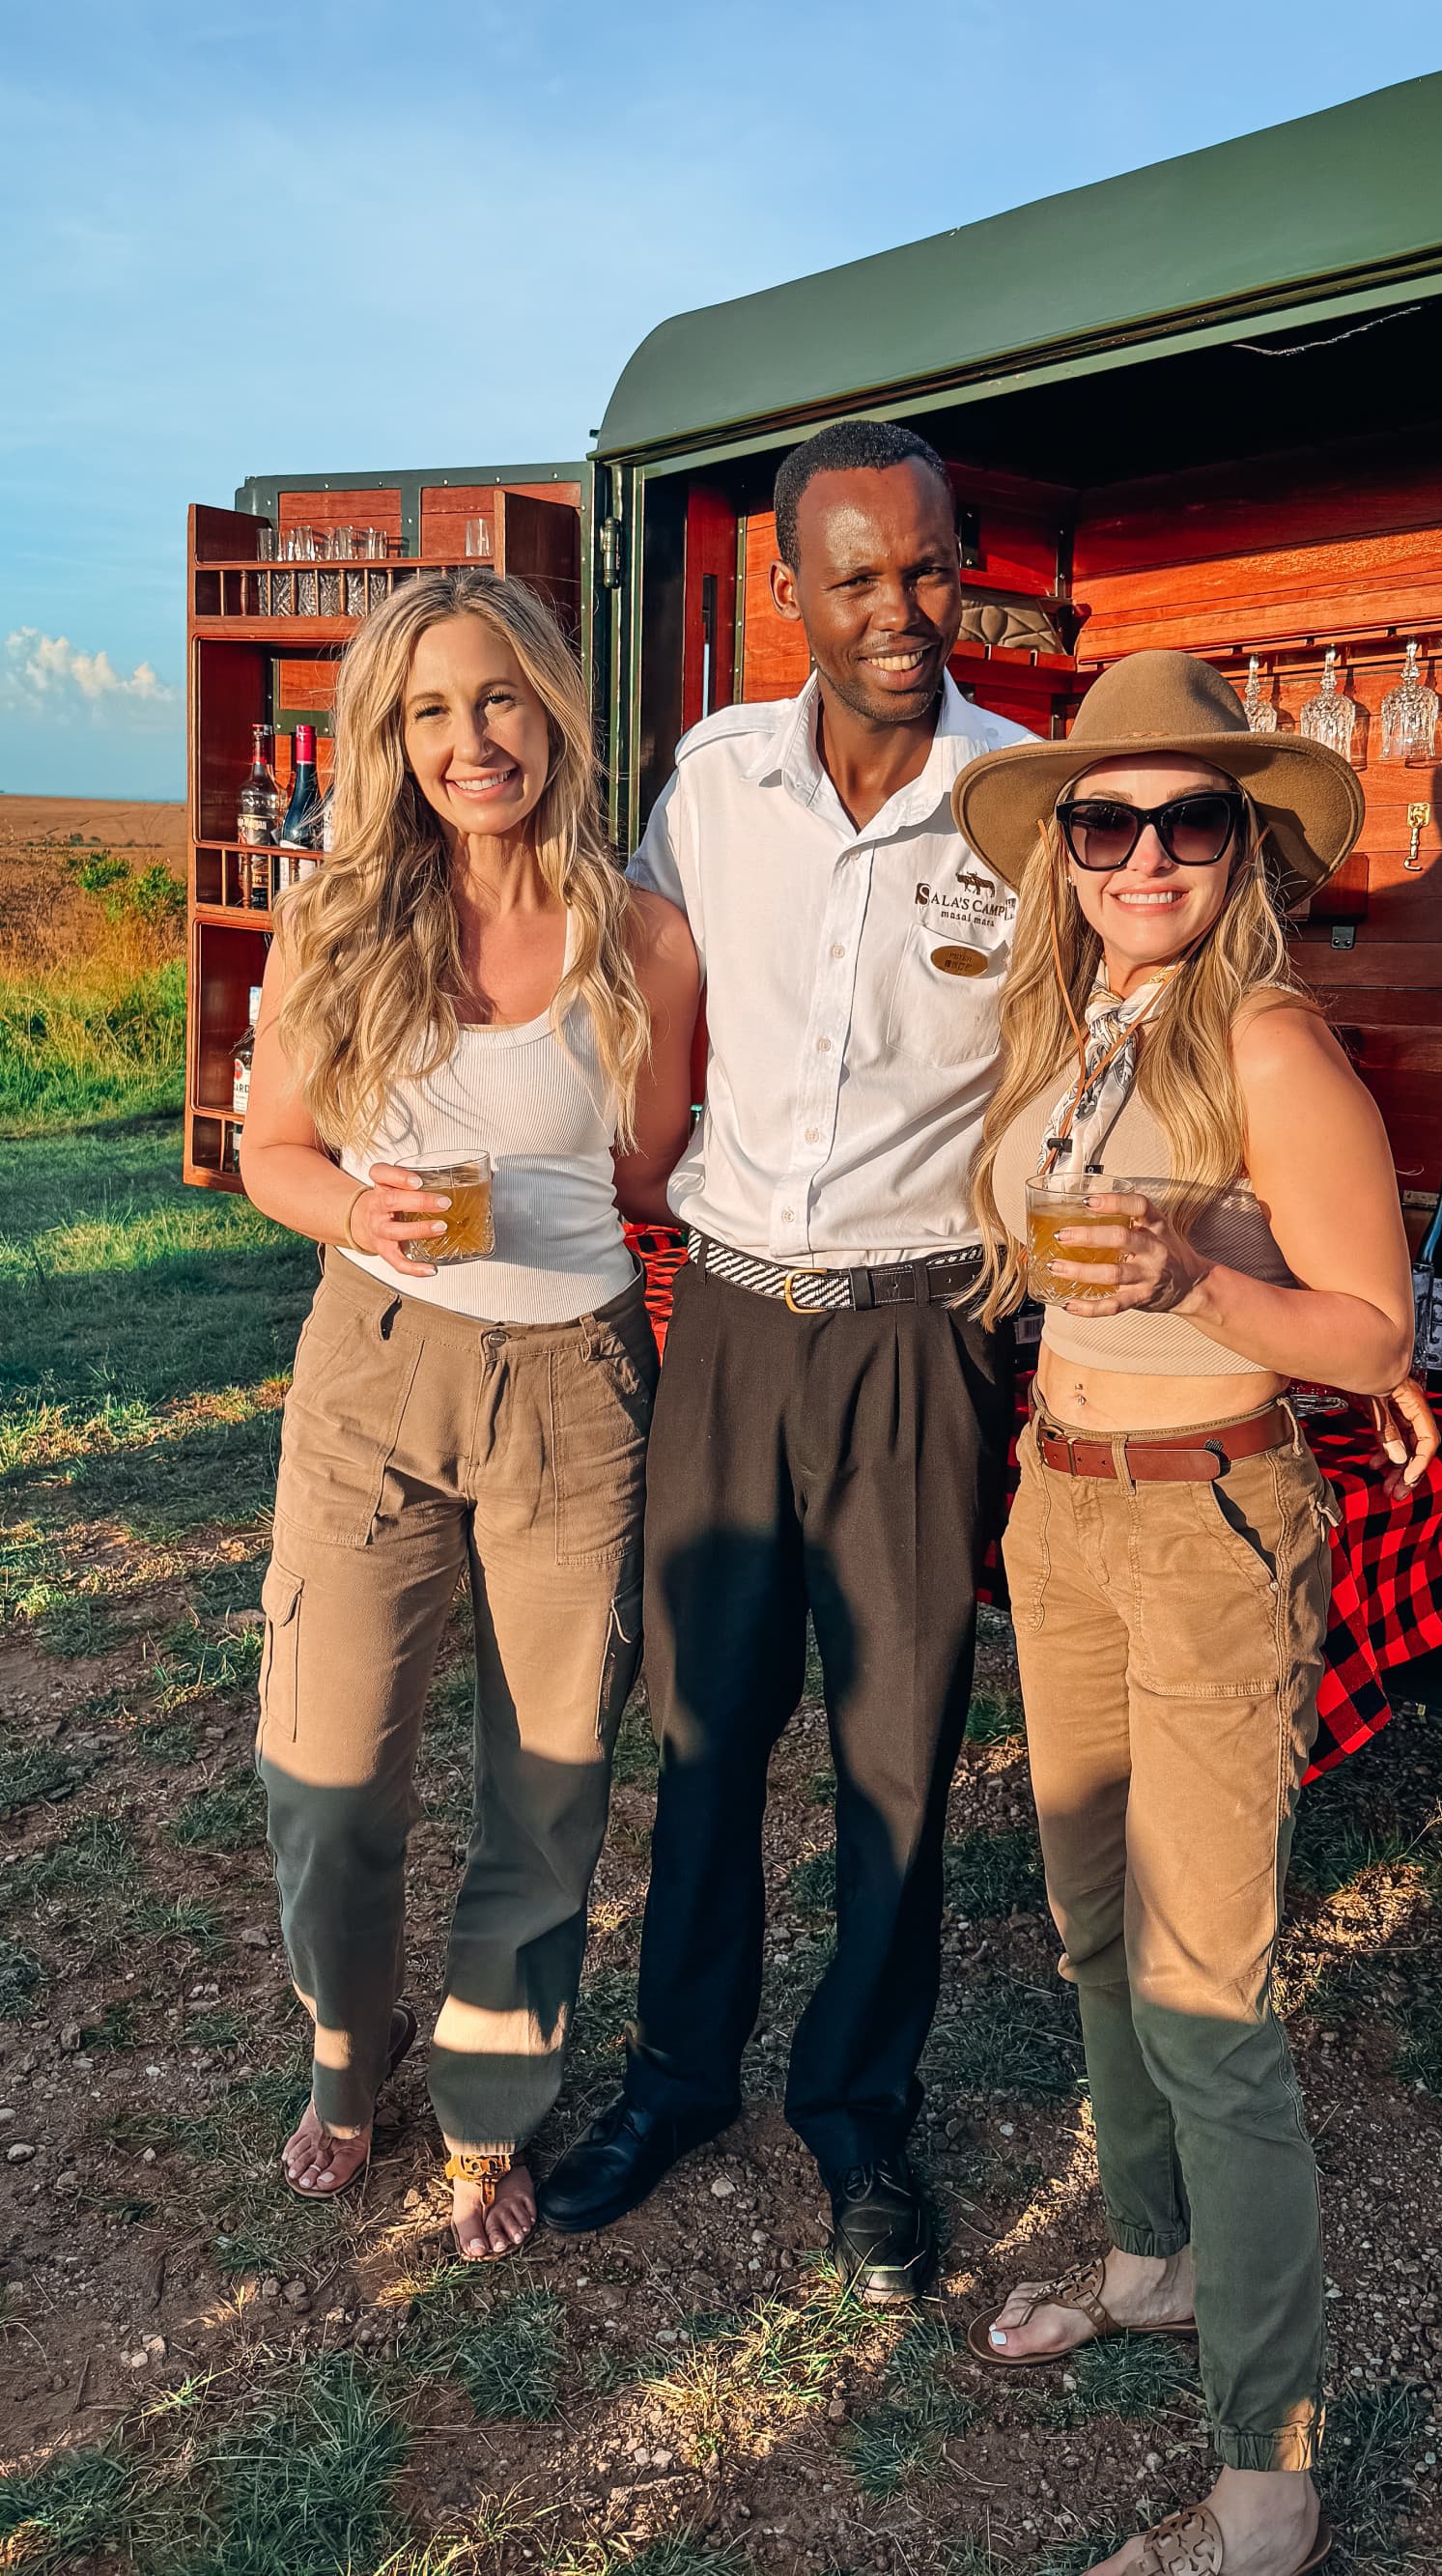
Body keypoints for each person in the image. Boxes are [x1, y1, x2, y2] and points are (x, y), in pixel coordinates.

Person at [539, 419, 1038, 2291]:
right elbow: (651, 1008)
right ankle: (680, 2072)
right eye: (857, 576)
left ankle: (858, 2111)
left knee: (897, 1751)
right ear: (787, 592)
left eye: (928, 565)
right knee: (708, 1727)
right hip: (737, 1316)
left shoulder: (1025, 794)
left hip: (923, 1339)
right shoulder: (714, 780)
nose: (902, 608)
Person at [956, 651, 1412, 2576]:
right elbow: (1025, 1252)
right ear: (1063, 850)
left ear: (1242, 847)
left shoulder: (1274, 1047)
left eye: (1187, 818)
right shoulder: (1071, 1027)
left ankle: (1265, 2478)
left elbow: (1371, 1328)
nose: (1144, 852)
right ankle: (1149, 2256)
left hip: (1210, 1519)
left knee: (1206, 1993)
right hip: (1059, 1516)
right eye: (1106, 819)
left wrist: (1200, 1273)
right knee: (1085, 1929)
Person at [239, 569, 699, 2260]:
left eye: (497, 697)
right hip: (375, 1361)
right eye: (431, 710)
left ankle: (489, 2105)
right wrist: (356, 1210)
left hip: (575, 1385)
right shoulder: (341, 917)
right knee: (329, 1770)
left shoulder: (642, 934)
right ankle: (344, 2058)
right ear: (392, 734)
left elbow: (646, 1174)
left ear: (553, 710)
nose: (469, 739)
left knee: (550, 1779)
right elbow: (271, 1147)